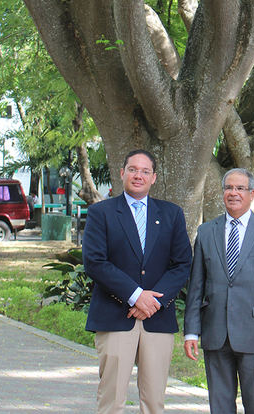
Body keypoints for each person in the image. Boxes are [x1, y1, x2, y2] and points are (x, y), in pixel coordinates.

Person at [82, 149, 192, 414]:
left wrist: (153, 302)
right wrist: (135, 295)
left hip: (157, 319)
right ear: (122, 173)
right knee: (112, 400)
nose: (138, 175)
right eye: (132, 169)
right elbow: (95, 262)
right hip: (114, 317)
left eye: (145, 171)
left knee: (154, 402)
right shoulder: (101, 213)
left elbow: (182, 264)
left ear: (154, 177)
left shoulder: (171, 214)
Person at [184, 168, 254, 414]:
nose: (233, 193)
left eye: (240, 188)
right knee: (219, 406)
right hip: (215, 332)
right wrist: (191, 331)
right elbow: (196, 286)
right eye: (228, 188)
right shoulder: (206, 232)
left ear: (251, 193)